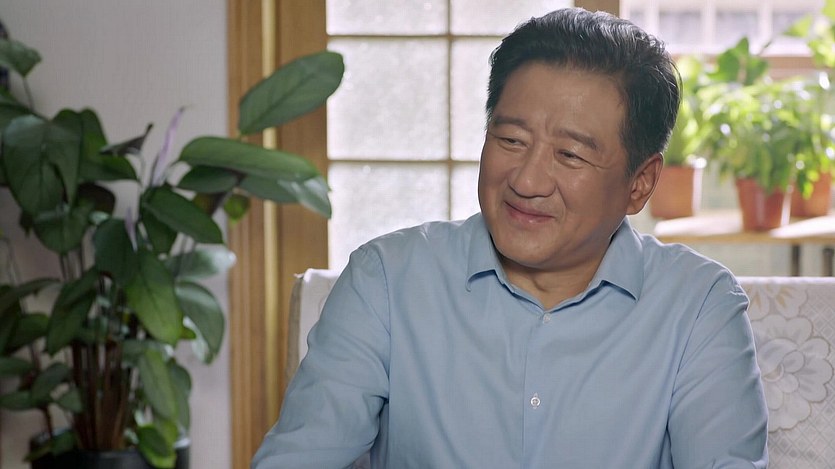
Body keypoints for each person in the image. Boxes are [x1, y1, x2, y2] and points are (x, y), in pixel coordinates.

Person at [252, 7, 768, 468]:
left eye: (569, 155)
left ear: (640, 184)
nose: (526, 180)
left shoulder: (697, 306)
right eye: (511, 139)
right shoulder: (387, 280)